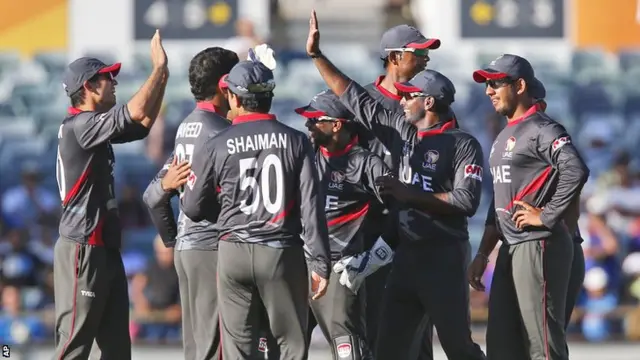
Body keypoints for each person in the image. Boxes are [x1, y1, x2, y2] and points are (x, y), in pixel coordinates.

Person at [305, 10, 486, 360]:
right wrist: (316, 55)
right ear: (394, 57)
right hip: (396, 250)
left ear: (429, 102)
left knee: (456, 347)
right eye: (417, 53)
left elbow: (466, 200)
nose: (402, 101)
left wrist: (407, 195)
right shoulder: (403, 129)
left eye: (410, 96)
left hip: (442, 255)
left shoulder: (461, 141)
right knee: (387, 348)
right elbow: (352, 96)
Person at [181, 59, 331, 360]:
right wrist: (320, 263)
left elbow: (193, 207)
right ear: (270, 95)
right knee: (290, 344)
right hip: (280, 252)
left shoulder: (216, 144)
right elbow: (311, 208)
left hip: (232, 251)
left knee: (239, 348)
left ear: (234, 98)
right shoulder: (296, 141)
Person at [142, 47, 277, 360]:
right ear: (225, 84)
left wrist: (175, 242)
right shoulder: (223, 133)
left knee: (198, 347)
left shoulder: (187, 128)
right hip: (213, 251)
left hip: (189, 251)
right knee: (219, 349)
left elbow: (153, 196)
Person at [53, 30, 169, 360]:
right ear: (87, 87)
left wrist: (163, 77)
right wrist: (157, 70)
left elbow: (143, 123)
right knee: (74, 346)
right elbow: (133, 112)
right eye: (107, 78)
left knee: (117, 348)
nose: (114, 83)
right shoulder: (81, 126)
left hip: (103, 247)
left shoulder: (91, 125)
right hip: (83, 247)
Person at [471, 54, 590, 360]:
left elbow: (575, 170)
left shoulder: (542, 127)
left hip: (537, 245)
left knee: (542, 345)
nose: (488, 90)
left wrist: (547, 215)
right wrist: (483, 253)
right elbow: (500, 200)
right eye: (487, 84)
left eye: (496, 83)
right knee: (502, 345)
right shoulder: (503, 135)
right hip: (512, 247)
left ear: (520, 85)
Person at [360, 25, 440, 359]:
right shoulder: (361, 102)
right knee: (377, 330)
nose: (426, 59)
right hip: (372, 231)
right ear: (395, 57)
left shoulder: (431, 103)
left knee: (418, 335)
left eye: (426, 53)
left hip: (416, 230)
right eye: (418, 53)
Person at [295, 89, 393, 360]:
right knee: (286, 346)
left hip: (340, 268)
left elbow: (401, 210)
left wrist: (375, 257)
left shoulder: (366, 163)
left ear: (336, 124)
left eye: (315, 120)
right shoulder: (306, 153)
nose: (308, 125)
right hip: (299, 264)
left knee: (348, 349)